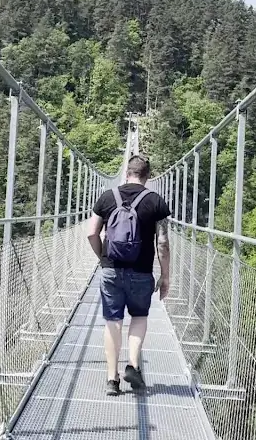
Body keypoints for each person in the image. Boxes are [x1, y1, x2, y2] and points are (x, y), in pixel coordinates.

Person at [86, 154, 171, 396]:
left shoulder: (107, 197)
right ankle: (133, 365)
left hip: (111, 270)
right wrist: (165, 277)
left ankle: (112, 380)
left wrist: (103, 257)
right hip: (142, 272)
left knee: (113, 321)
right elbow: (163, 243)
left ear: (126, 173)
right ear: (148, 176)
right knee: (139, 316)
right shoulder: (155, 201)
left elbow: (92, 233)